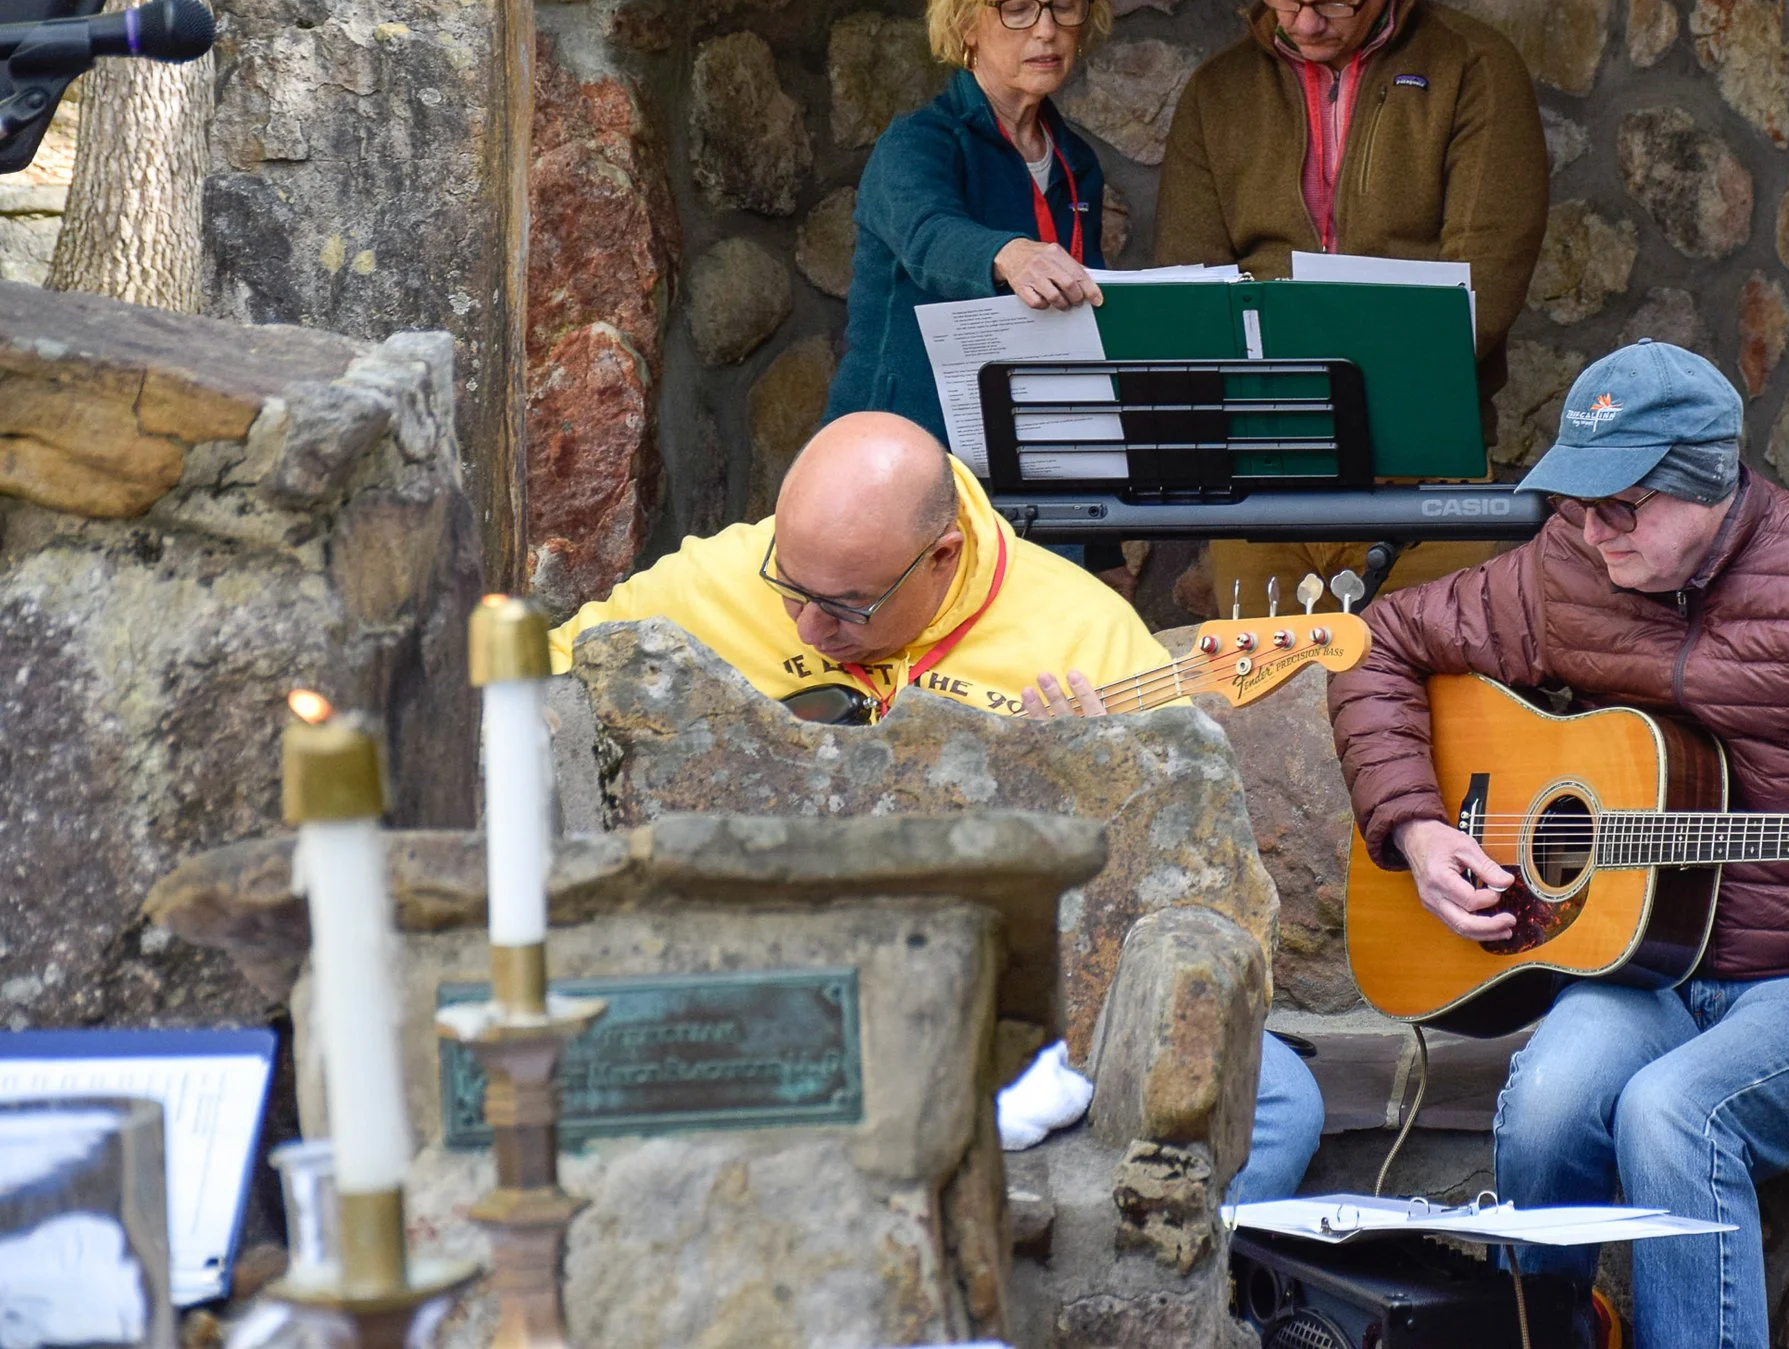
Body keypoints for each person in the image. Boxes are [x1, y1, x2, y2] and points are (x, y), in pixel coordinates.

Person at [1326, 341, 1789, 1349]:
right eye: (1576, 502)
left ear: (1709, 479)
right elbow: (1374, 642)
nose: (1591, 532)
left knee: (1674, 1113)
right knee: (1544, 1101)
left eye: (1620, 506)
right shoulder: (1566, 563)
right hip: (1643, 969)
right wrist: (1414, 824)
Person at [549, 411, 1325, 1199]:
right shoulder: (717, 576)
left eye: (848, 606)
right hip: (759, 962)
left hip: (983, 991)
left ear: (941, 556)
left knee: (1278, 1099)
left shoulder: (1085, 635)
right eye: (790, 589)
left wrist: (1095, 786)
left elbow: (1143, 922)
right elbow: (535, 683)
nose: (812, 629)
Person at [1155, 0, 1552, 609]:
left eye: (1334, 0)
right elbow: (1191, 289)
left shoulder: (1474, 67)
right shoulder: (1217, 92)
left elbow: (1478, 293)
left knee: (1439, 708)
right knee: (1262, 712)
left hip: (1425, 476)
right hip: (1260, 478)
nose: (1303, 22)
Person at [823, 0, 1112, 446]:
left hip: (1035, 448)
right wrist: (1008, 253)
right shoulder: (916, 143)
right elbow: (930, 235)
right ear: (965, 21)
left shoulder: (1077, 162)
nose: (1046, 30)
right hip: (899, 461)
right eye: (1017, 7)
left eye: (1063, 4)